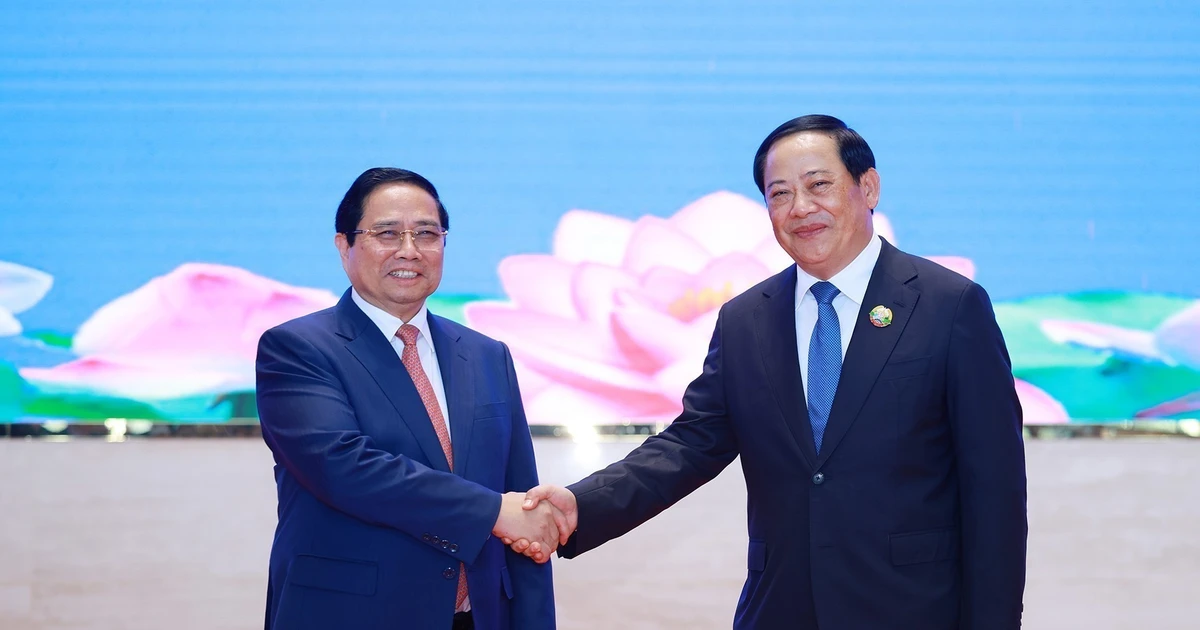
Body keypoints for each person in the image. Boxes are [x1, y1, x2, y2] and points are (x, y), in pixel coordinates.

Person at [513, 115, 1027, 629]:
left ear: (868, 187)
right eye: (780, 194)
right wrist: (580, 506)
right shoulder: (746, 321)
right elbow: (689, 444)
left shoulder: (948, 305)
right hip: (780, 608)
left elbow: (995, 490)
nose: (800, 208)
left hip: (913, 610)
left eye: (818, 185)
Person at [256, 167, 558, 630]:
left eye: (427, 234)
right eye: (387, 233)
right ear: (344, 246)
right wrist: (493, 513)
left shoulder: (486, 355)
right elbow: (345, 468)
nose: (409, 250)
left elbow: (523, 504)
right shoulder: (297, 348)